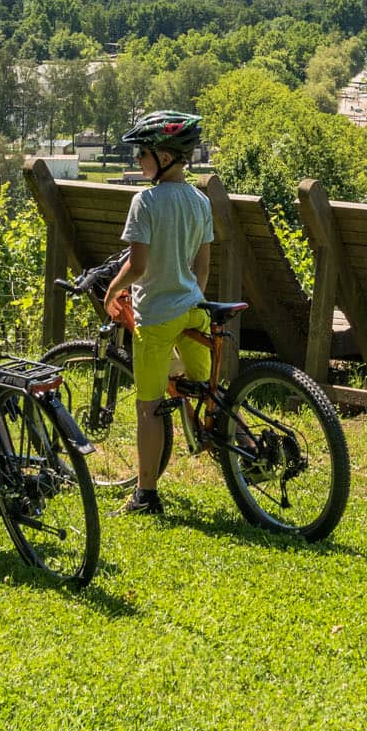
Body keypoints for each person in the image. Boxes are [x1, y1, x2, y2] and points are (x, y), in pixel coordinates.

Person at [101, 109, 214, 518]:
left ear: (165, 156)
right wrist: (192, 298)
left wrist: (112, 290)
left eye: (143, 154)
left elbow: (138, 267)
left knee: (148, 406)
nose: (138, 161)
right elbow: (202, 267)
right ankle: (235, 454)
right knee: (205, 391)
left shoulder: (144, 201)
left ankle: (146, 494)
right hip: (194, 311)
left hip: (156, 315)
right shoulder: (200, 201)